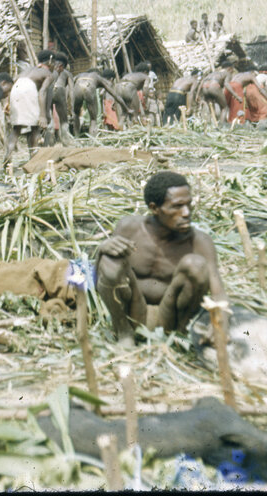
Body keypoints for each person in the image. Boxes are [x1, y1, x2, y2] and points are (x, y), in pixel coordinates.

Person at [95, 171, 229, 347]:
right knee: (110, 260)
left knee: (195, 265)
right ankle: (124, 333)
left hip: (171, 317)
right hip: (134, 312)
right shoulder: (129, 227)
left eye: (189, 205)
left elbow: (218, 291)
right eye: (177, 206)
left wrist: (220, 324)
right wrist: (101, 250)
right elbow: (100, 274)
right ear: (154, 208)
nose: (186, 212)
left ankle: (180, 334)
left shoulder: (199, 241)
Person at [4, 49, 55, 166]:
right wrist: (43, 115)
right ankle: (34, 158)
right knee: (35, 128)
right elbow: (42, 93)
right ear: (50, 61)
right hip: (28, 88)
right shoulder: (48, 74)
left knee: (16, 128)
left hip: (16, 88)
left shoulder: (27, 71)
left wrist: (8, 103)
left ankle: (8, 155)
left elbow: (14, 85)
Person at [70, 68, 128, 136]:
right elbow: (115, 95)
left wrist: (71, 102)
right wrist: (126, 108)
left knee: (76, 115)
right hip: (89, 89)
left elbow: (70, 87)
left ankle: (76, 138)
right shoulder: (97, 77)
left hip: (77, 88)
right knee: (93, 120)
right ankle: (93, 141)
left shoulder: (79, 75)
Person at [48, 52, 75, 145]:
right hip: (60, 91)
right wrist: (72, 106)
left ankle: (50, 142)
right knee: (63, 119)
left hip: (49, 90)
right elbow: (71, 90)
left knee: (50, 117)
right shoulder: (67, 73)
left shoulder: (49, 71)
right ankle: (65, 141)